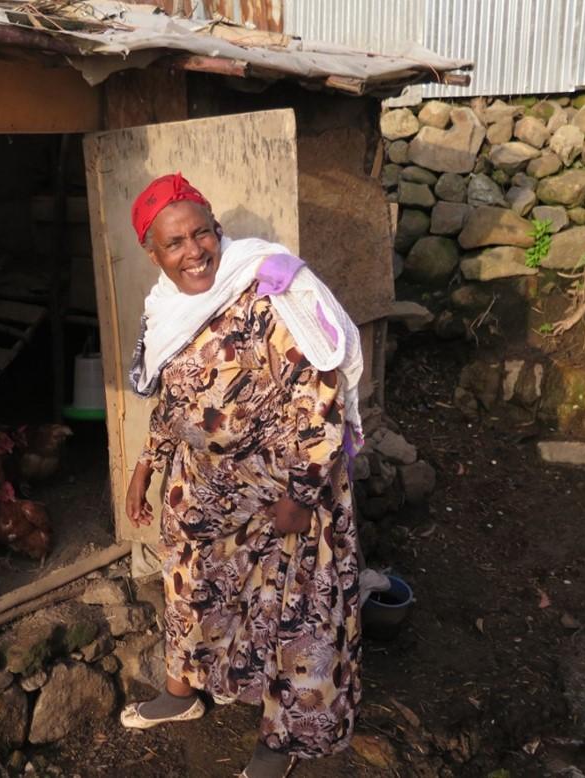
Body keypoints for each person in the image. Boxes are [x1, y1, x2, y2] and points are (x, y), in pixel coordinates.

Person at [119, 173, 363, 778]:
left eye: (202, 233)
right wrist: (147, 463)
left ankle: (281, 742)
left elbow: (319, 390)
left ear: (217, 230)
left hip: (283, 494)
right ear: (153, 253)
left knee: (294, 614)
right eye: (174, 243)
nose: (194, 251)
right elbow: (174, 398)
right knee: (190, 592)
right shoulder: (167, 309)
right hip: (204, 492)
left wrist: (303, 495)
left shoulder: (263, 291)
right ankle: (182, 695)